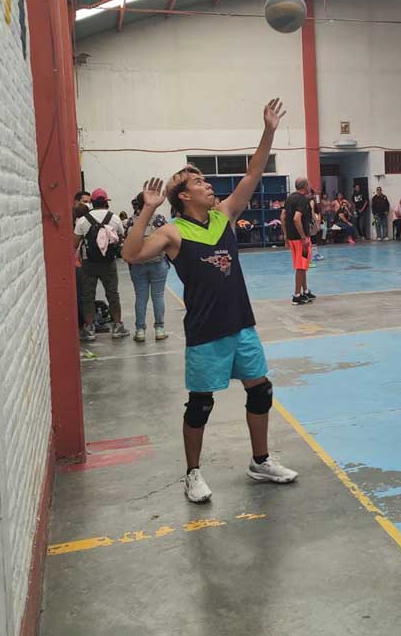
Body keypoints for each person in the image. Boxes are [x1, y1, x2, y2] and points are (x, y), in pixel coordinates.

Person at [122, 99, 297, 503]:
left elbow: (254, 171)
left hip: (241, 324)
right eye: (198, 183)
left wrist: (268, 130)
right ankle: (193, 474)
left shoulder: (224, 215)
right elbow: (131, 255)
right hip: (206, 331)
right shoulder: (174, 234)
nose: (207, 185)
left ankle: (260, 461)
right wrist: (147, 211)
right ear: (183, 197)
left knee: (261, 391)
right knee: (201, 405)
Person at [75, 188, 130, 340]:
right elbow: (119, 237)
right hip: (109, 262)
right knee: (112, 294)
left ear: (92, 202)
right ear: (106, 202)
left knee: (88, 295)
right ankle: (118, 326)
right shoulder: (115, 218)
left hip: (88, 263)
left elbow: (75, 242)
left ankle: (89, 328)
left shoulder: (83, 220)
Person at [128, 191, 171, 342]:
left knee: (140, 297)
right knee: (158, 296)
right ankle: (159, 329)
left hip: (137, 264)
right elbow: (168, 239)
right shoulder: (159, 220)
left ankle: (140, 330)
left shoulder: (132, 221)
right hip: (158, 262)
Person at [285, 177, 316, 306]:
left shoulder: (290, 198)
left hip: (292, 238)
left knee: (302, 266)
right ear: (305, 187)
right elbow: (297, 219)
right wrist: (303, 237)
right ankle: (297, 295)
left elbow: (283, 216)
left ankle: (305, 291)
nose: (310, 186)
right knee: (301, 266)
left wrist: (286, 236)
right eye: (308, 184)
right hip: (300, 239)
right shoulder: (303, 200)